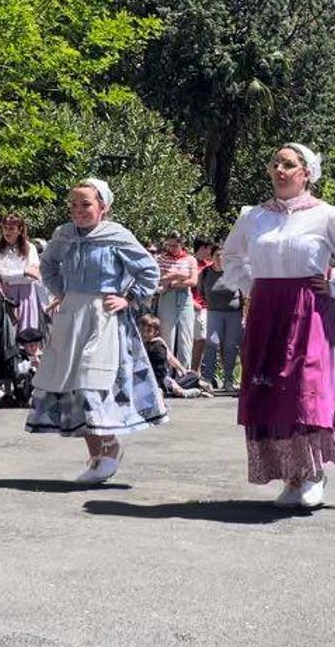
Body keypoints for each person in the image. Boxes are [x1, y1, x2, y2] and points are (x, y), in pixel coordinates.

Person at [221, 142, 335, 509]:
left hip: (309, 312)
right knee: (273, 392)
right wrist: (252, 286)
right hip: (266, 312)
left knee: (304, 392)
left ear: (306, 173)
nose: (279, 169)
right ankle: (292, 476)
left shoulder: (326, 216)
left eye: (288, 164)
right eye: (275, 162)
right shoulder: (253, 216)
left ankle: (313, 473)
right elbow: (231, 256)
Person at [25, 179, 166, 483]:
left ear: (104, 206)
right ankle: (96, 453)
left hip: (102, 317)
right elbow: (48, 264)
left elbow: (149, 270)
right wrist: (63, 292)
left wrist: (128, 297)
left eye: (86, 204)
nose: (78, 211)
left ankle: (110, 447)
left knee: (93, 382)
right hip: (72, 315)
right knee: (74, 386)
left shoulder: (117, 235)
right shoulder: (64, 234)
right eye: (74, 204)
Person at [139, 313, 214, 399]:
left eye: (148, 331)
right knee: (164, 391)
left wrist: (182, 369)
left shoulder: (159, 342)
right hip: (151, 379)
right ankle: (192, 392)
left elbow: (170, 358)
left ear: (155, 332)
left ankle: (199, 384)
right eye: (142, 330)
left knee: (192, 375)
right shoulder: (140, 345)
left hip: (163, 378)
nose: (144, 333)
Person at [199, 250, 243, 393]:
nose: (220, 258)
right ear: (212, 257)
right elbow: (201, 291)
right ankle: (207, 379)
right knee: (212, 343)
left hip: (234, 313)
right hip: (214, 312)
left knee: (231, 346)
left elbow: (243, 292)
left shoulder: (234, 272)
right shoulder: (205, 273)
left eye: (223, 256)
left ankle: (228, 380)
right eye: (217, 255)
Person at [0, 214, 44, 335]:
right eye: (5, 228)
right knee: (9, 332)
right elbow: (0, 273)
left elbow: (33, 276)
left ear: (19, 230)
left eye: (11, 228)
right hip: (7, 295)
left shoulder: (30, 248)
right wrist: (23, 271)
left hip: (26, 295)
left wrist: (11, 276)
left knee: (27, 332)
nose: (7, 232)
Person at [155, 231, 198, 369]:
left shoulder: (190, 259)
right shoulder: (161, 259)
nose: (172, 248)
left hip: (184, 297)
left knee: (186, 337)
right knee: (167, 336)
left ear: (181, 244)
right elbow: (158, 279)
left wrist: (173, 278)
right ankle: (166, 374)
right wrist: (179, 275)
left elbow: (193, 281)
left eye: (175, 245)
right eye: (170, 245)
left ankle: (184, 373)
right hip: (167, 296)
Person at [190, 237, 215, 371]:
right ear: (203, 248)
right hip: (194, 307)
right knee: (198, 339)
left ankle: (197, 371)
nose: (210, 251)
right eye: (209, 248)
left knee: (203, 340)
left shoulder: (209, 264)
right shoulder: (190, 262)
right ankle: (193, 371)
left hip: (208, 308)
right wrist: (192, 301)